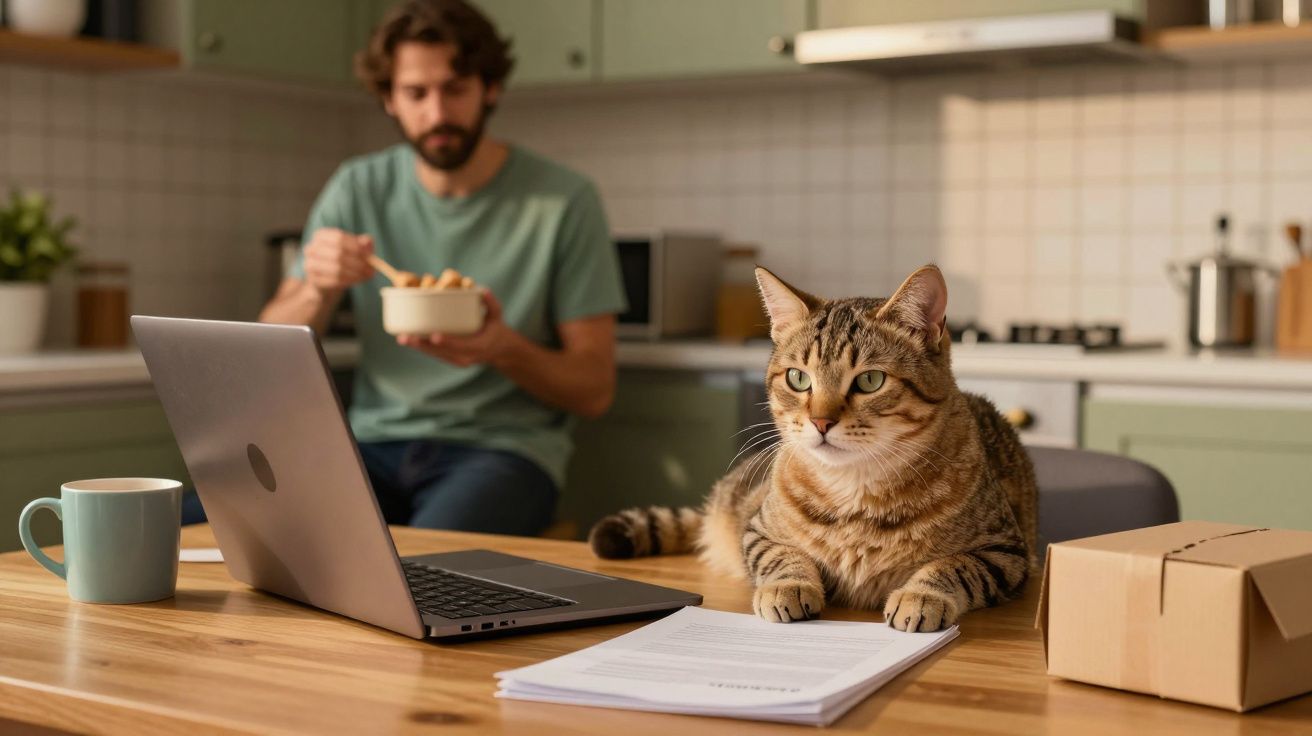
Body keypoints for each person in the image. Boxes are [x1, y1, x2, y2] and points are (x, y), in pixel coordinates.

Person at [234, 0, 625, 536]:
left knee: (428, 568)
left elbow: (595, 388)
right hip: (367, 446)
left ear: (491, 88)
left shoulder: (564, 200)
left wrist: (501, 347)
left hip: (501, 451)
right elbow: (265, 355)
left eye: (455, 89)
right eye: (416, 93)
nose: (437, 113)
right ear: (389, 98)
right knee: (225, 520)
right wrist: (315, 290)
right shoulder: (357, 187)